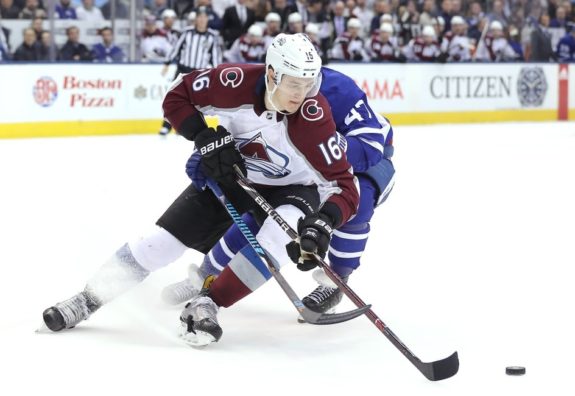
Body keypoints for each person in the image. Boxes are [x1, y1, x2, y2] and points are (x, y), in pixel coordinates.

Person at [42, 33, 359, 348]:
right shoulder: (232, 82)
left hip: (296, 189)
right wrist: (202, 136)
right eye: (293, 84)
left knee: (274, 242)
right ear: (272, 73)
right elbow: (177, 95)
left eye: (308, 84)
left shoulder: (313, 117)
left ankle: (209, 304)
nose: (302, 94)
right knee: (160, 245)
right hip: (236, 175)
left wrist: (325, 221)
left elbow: (345, 185)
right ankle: (88, 298)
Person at [162, 65, 394, 321]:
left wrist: (319, 146)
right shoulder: (265, 82)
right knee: (262, 208)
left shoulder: (338, 88)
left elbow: (372, 143)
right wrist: (211, 150)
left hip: (365, 166)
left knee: (355, 202)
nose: (299, 89)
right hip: (303, 163)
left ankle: (335, 281)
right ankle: (206, 275)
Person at [158, 6, 222, 135]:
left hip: (199, 73)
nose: (202, 19)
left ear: (207, 19)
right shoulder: (186, 33)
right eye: (200, 17)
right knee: (173, 97)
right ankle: (167, 125)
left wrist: (217, 73)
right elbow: (176, 49)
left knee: (196, 102)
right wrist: (166, 63)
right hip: (182, 70)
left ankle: (188, 128)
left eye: (205, 17)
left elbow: (215, 56)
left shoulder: (212, 37)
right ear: (196, 18)